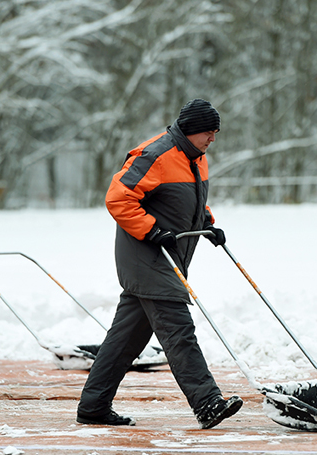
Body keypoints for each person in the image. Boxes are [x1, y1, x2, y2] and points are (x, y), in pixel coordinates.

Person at [76, 99, 241, 429]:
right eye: (208, 132)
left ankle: (93, 406)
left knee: (124, 341)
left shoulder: (196, 157)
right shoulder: (155, 155)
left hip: (168, 256)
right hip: (147, 257)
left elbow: (186, 202)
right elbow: (118, 197)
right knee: (179, 331)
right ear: (191, 130)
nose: (213, 139)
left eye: (216, 133)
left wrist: (207, 223)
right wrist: (151, 230)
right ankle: (207, 402)